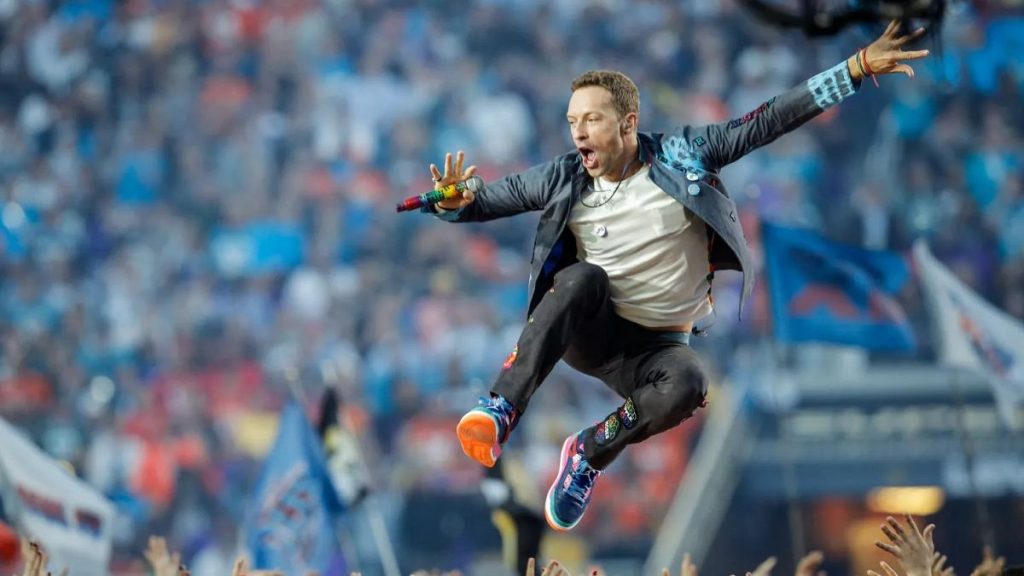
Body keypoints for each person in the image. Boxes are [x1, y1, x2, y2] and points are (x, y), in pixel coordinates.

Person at [422, 21, 929, 532]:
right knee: (582, 277)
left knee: (690, 383)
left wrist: (854, 69)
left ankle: (588, 454)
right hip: (592, 329)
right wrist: (453, 203)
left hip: (656, 349)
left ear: (628, 124)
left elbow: (770, 118)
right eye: (573, 120)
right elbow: (490, 198)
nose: (578, 133)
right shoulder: (564, 174)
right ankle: (501, 407)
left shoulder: (684, 154)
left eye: (592, 120)